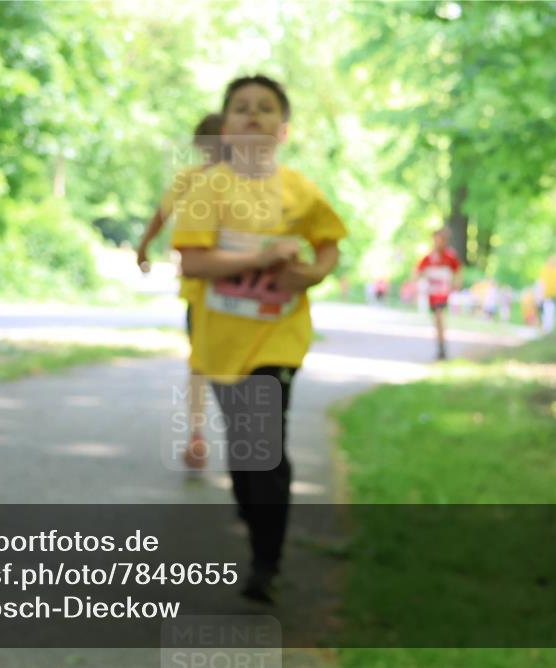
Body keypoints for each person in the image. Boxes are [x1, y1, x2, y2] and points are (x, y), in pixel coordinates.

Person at [172, 75, 346, 603]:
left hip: (279, 337)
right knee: (245, 447)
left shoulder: (301, 190)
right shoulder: (207, 188)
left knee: (265, 438)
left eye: (266, 108)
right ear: (225, 128)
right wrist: (258, 259)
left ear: (283, 129)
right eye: (241, 108)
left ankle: (266, 562)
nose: (253, 115)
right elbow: (194, 260)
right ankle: (253, 513)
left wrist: (313, 273)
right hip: (221, 337)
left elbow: (329, 245)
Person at [136, 113, 223, 469]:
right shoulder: (191, 178)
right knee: (200, 364)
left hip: (247, 295)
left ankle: (220, 433)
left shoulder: (255, 185)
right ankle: (198, 433)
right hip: (201, 291)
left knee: (223, 367)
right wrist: (142, 247)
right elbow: (162, 212)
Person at [415, 228, 462, 360]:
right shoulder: (428, 257)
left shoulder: (450, 256)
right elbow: (418, 272)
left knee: (439, 316)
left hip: (443, 294)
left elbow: (458, 270)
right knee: (437, 320)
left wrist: (456, 283)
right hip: (432, 294)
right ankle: (440, 345)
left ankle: (442, 347)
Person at [538, 256, 556, 332]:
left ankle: (550, 327)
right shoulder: (545, 270)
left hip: (554, 295)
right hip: (546, 295)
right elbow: (541, 283)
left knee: (552, 311)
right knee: (547, 311)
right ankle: (547, 327)